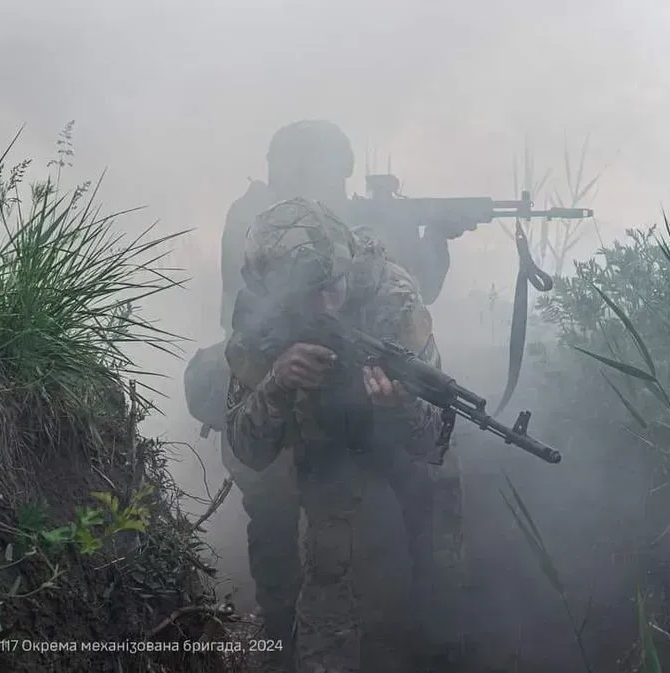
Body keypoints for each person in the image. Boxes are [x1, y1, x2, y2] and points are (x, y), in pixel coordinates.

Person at [183, 119, 464, 670]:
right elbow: (248, 444)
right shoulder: (261, 295)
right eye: (308, 298)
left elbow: (433, 437)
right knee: (291, 520)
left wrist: (398, 404)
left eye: (333, 289)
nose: (326, 307)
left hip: (379, 415)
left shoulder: (392, 293)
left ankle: (442, 630)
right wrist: (278, 380)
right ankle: (277, 628)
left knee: (438, 483)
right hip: (305, 419)